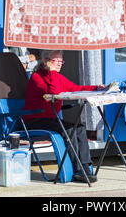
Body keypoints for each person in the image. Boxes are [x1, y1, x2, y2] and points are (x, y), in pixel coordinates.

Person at [23, 50, 106, 183]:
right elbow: (53, 93)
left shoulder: (57, 77)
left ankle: (85, 167)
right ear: (46, 61)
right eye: (56, 61)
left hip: (51, 120)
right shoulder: (37, 78)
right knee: (69, 130)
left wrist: (97, 88)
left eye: (61, 61)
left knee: (79, 127)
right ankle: (77, 169)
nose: (60, 64)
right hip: (34, 120)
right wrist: (53, 73)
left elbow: (76, 88)